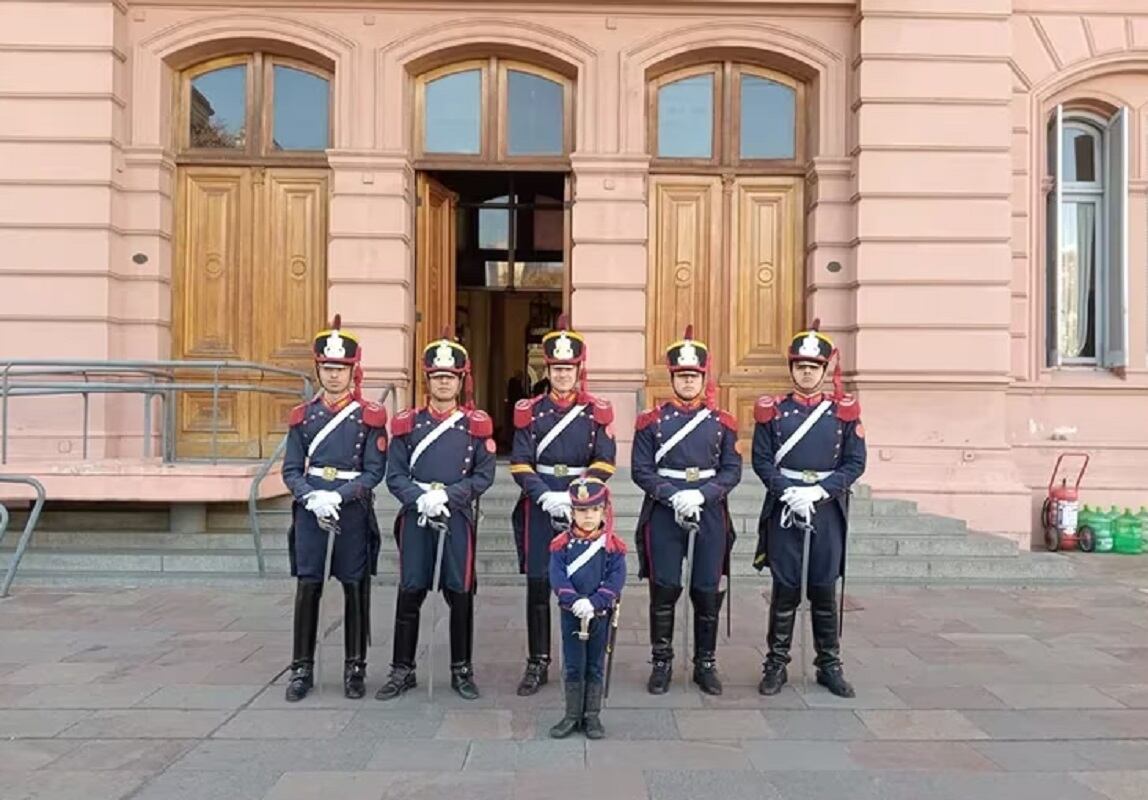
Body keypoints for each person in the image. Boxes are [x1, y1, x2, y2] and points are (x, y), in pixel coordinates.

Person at [376, 332, 496, 701]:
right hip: (417, 518)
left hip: (455, 517)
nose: (443, 382)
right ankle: (402, 668)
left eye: (450, 376)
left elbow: (483, 474)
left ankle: (462, 669)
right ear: (427, 380)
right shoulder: (408, 424)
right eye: (437, 375)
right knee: (410, 590)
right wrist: (419, 498)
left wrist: (449, 495)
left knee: (459, 595)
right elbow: (394, 474)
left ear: (460, 381)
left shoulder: (475, 425)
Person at [751, 318, 867, 698]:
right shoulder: (773, 411)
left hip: (826, 509)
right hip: (786, 507)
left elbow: (854, 462)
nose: (806, 372)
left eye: (813, 367)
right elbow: (762, 460)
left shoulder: (844, 412)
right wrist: (788, 491)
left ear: (824, 370)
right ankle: (776, 663)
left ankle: (829, 664)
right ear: (792, 369)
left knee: (822, 588)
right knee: (785, 587)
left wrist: (819, 492)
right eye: (800, 366)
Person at [281, 314, 387, 701]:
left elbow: (375, 471)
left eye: (341, 369)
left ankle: (355, 667)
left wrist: (339, 496)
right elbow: (291, 468)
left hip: (352, 511)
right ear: (318, 370)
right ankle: (301, 668)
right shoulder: (303, 416)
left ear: (353, 371)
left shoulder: (369, 417)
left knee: (355, 587)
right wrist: (310, 496)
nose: (334, 376)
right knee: (308, 587)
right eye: (328, 368)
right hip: (311, 512)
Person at [509, 315, 616, 696]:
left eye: (569, 368)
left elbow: (605, 461)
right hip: (541, 508)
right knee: (539, 585)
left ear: (578, 370)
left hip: (583, 510)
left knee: (584, 586)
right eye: (556, 368)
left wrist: (576, 497)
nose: (563, 375)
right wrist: (545, 496)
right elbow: (520, 461)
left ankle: (583, 659)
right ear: (547, 369)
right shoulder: (530, 412)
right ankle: (538, 661)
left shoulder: (595, 413)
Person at [632, 325, 741, 695]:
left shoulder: (722, 422)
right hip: (665, 512)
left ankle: (705, 663)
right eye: (682, 376)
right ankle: (661, 661)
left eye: (694, 376)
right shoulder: (651, 422)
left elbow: (732, 469)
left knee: (706, 589)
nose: (689, 382)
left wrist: (705, 494)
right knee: (664, 587)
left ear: (703, 378)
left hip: (708, 511)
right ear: (672, 378)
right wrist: (671, 494)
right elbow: (641, 469)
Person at [547, 476, 626, 740]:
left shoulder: (612, 546)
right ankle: (571, 715)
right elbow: (557, 576)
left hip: (599, 614)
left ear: (604, 510)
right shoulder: (561, 545)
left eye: (594, 509)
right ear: (572, 513)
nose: (588, 516)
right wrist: (573, 600)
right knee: (573, 665)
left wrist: (594, 602)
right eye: (582, 511)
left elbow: (616, 579)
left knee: (594, 664)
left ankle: (592, 715)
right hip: (572, 614)